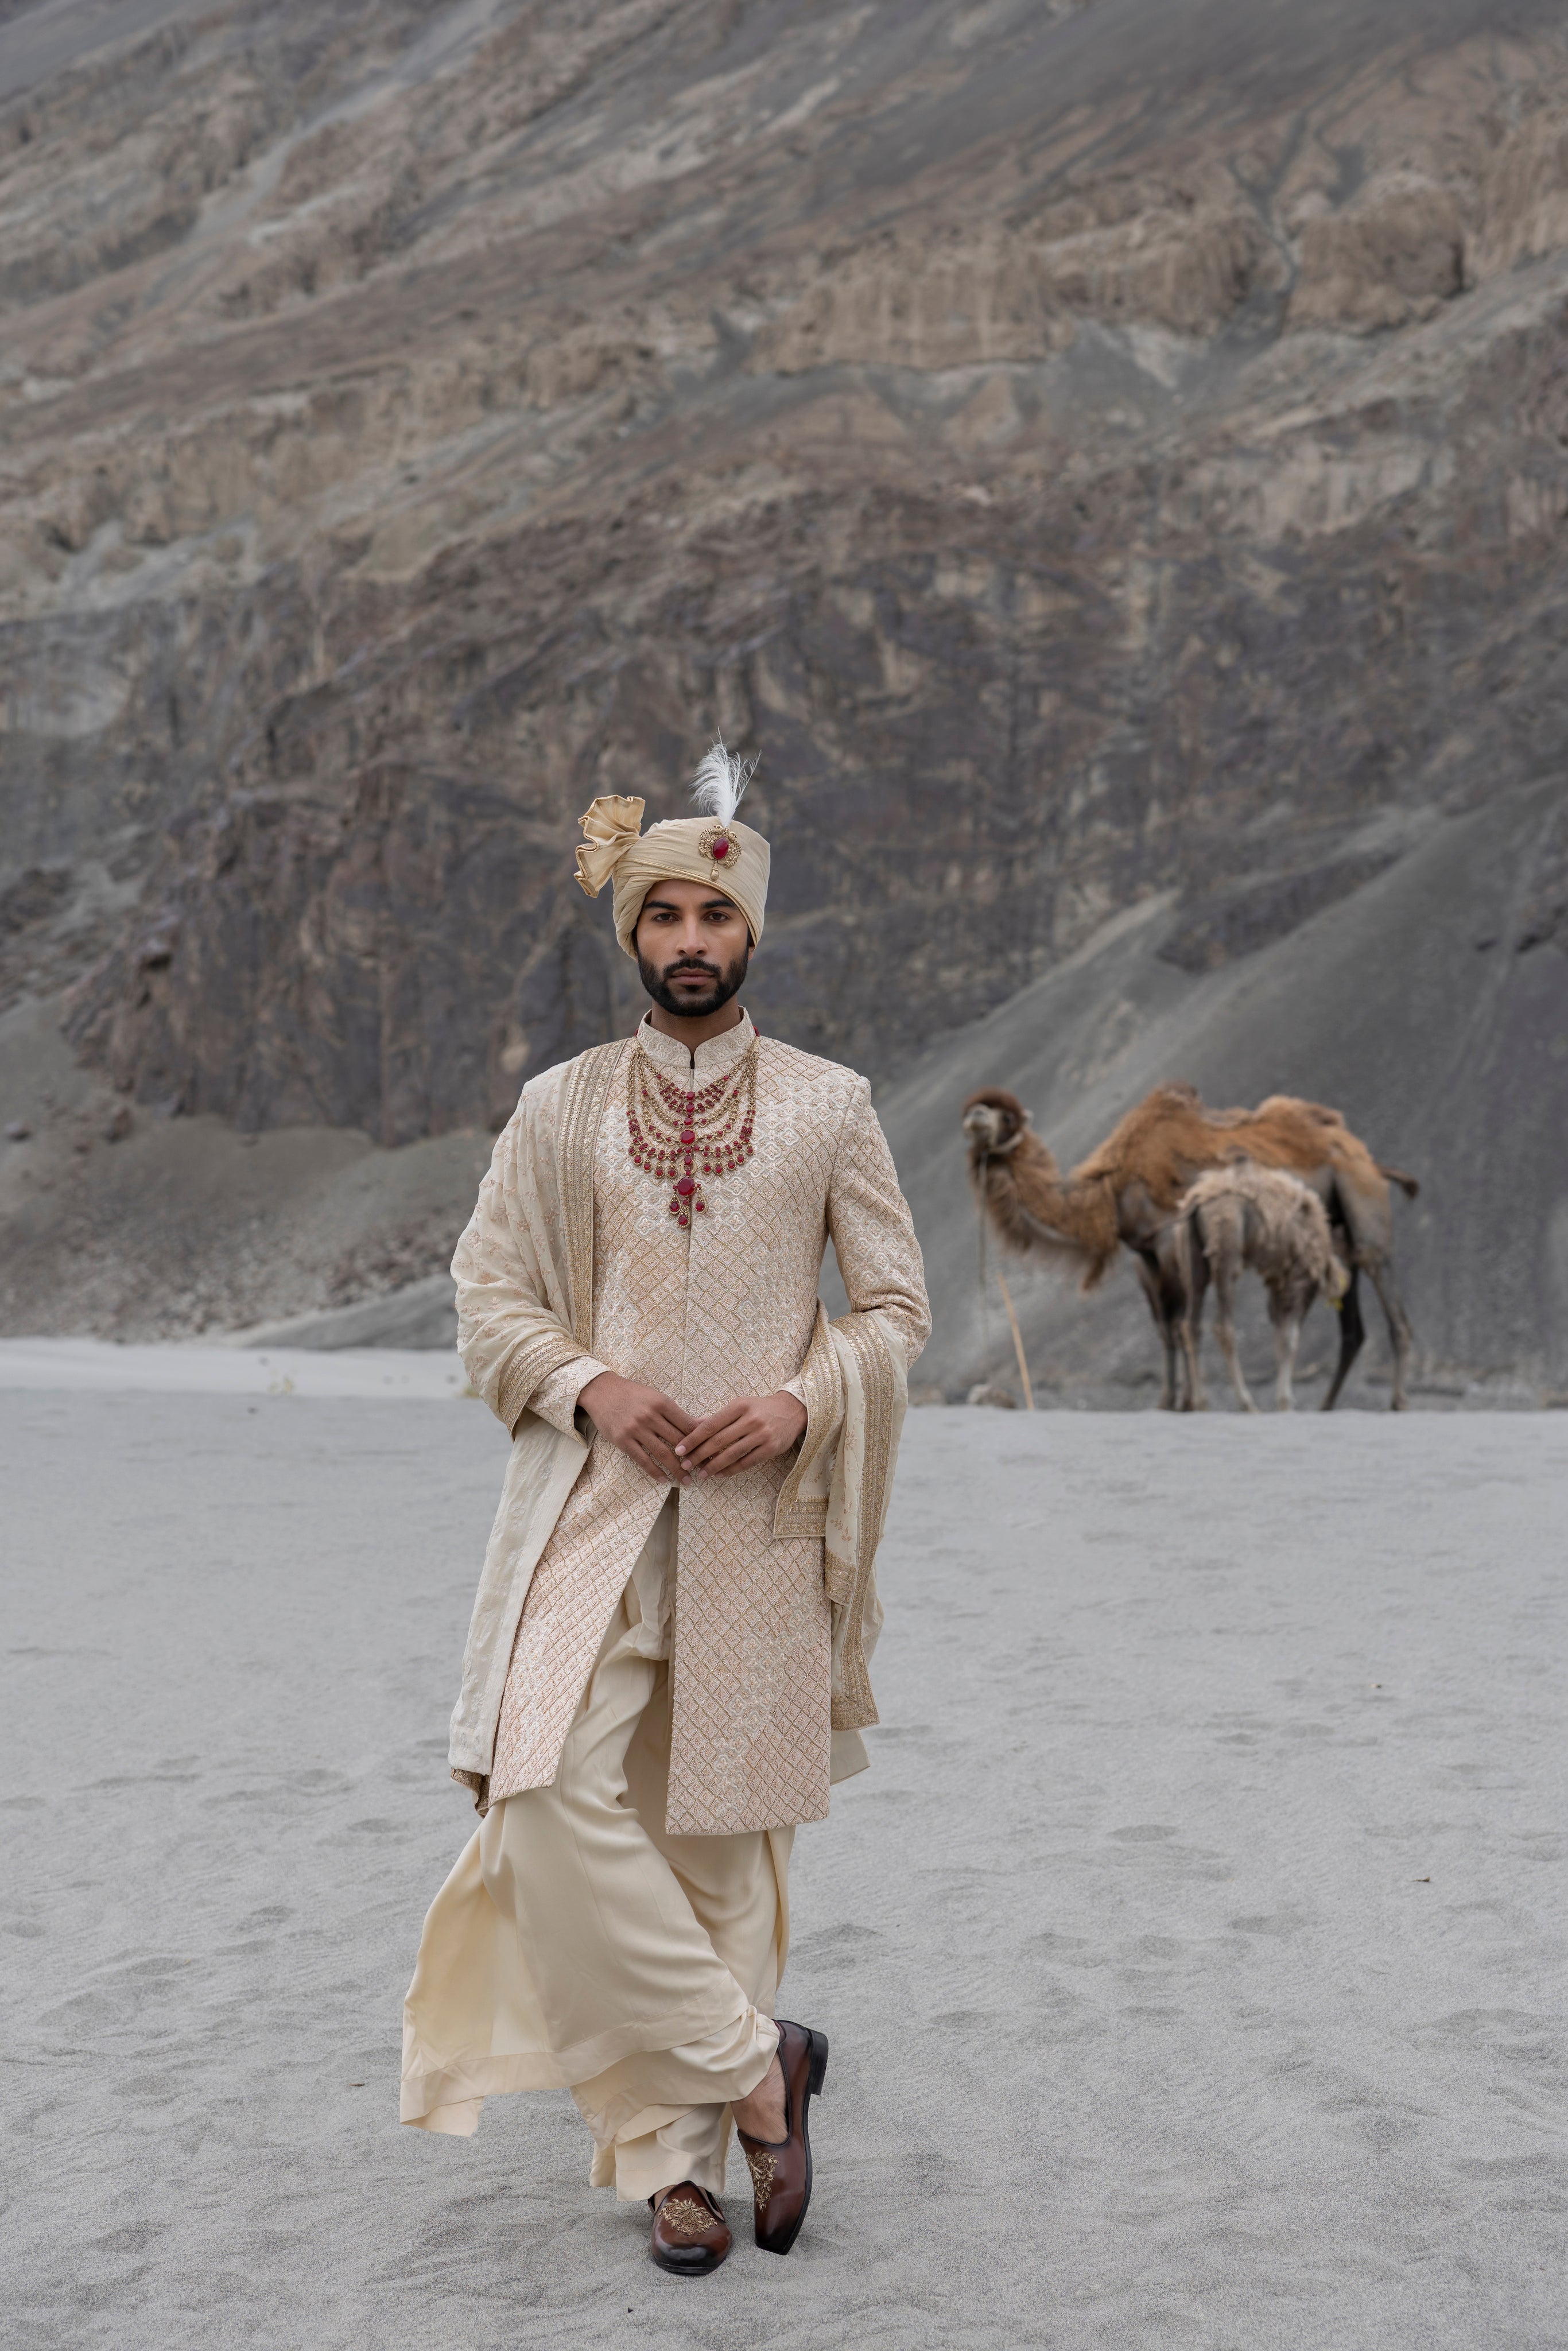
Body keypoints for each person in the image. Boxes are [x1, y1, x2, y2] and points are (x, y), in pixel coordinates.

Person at [400, 745, 929, 2277]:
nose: (690, 939)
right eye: (664, 917)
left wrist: (802, 1398)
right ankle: (760, 2066)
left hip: (765, 1522)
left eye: (715, 914)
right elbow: (485, 1293)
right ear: (629, 939)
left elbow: (893, 1309)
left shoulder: (832, 1108)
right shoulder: (557, 1110)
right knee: (544, 1791)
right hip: (597, 1510)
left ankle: (673, 2167)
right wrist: (587, 1385)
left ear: (752, 934)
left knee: (721, 1851)